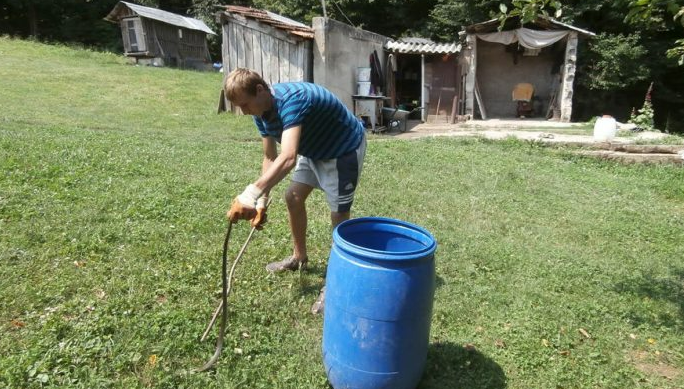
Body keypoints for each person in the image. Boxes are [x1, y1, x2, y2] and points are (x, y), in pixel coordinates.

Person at [224, 68, 367, 314]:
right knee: (292, 197)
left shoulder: (292, 100)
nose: (244, 111)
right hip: (314, 150)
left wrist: (250, 193)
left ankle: (335, 284)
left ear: (259, 90)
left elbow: (288, 157)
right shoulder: (261, 112)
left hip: (342, 150)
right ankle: (299, 257)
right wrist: (261, 202)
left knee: (338, 216)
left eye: (245, 104)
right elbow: (270, 156)